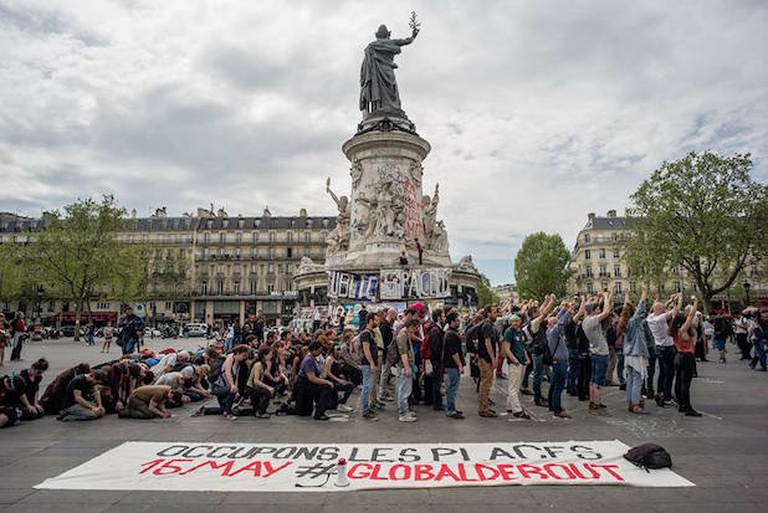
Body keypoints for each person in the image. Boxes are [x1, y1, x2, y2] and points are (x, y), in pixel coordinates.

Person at [582, 290, 614, 416]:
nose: (599, 311)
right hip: (601, 354)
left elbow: (599, 308)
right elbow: (606, 312)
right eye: (597, 309)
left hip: (594, 352)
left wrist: (602, 298)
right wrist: (606, 296)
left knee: (593, 379)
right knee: (598, 381)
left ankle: (592, 401)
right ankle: (596, 405)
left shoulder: (586, 320)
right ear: (593, 311)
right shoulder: (592, 321)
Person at [646, 294, 680, 408]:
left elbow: (658, 309)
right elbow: (674, 312)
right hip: (667, 348)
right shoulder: (660, 319)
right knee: (669, 373)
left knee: (662, 372)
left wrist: (669, 300)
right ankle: (667, 397)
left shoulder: (650, 318)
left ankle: (660, 392)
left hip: (658, 347)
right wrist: (677, 301)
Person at [621, 285, 650, 414]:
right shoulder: (634, 321)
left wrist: (626, 295)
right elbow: (641, 308)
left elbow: (626, 308)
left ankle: (631, 402)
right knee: (638, 379)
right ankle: (636, 405)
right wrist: (644, 292)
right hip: (636, 353)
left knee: (631, 379)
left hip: (628, 354)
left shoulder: (625, 322)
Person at [670, 296, 702, 417]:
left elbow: (675, 313)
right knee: (685, 383)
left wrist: (676, 302)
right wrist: (696, 301)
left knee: (678, 380)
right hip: (687, 356)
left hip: (678, 355)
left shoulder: (674, 329)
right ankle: (687, 407)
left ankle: (681, 404)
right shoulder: (683, 330)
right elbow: (691, 316)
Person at [547, 300, 577, 419]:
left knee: (554, 385)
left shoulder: (549, 330)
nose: (556, 323)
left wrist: (563, 308)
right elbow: (561, 322)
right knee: (559, 387)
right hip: (560, 362)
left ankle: (552, 405)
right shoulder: (554, 332)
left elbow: (557, 319)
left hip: (557, 362)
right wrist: (569, 312)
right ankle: (557, 409)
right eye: (554, 322)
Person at [502, 313, 530, 419]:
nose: (514, 323)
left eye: (516, 321)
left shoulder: (521, 332)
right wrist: (515, 360)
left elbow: (522, 346)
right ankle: (517, 410)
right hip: (515, 362)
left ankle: (509, 405)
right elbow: (507, 348)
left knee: (515, 385)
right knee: (514, 386)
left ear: (520, 322)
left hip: (521, 361)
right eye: (512, 321)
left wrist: (527, 358)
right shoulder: (509, 332)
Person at [294, 342, 333, 420]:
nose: (320, 352)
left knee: (324, 386)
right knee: (326, 388)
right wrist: (326, 382)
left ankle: (320, 406)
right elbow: (312, 378)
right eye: (319, 350)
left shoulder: (313, 358)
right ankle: (319, 413)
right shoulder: (308, 360)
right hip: (304, 385)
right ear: (314, 350)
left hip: (307, 383)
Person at [212, 345, 250, 420]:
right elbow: (227, 373)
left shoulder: (238, 363)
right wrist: (232, 385)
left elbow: (236, 377)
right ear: (238, 353)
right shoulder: (230, 359)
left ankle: (224, 410)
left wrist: (236, 388)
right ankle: (228, 413)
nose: (244, 357)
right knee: (231, 391)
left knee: (231, 393)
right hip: (218, 386)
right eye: (243, 355)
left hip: (225, 386)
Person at [477, 306, 499, 418]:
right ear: (488, 313)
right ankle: (483, 408)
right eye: (494, 312)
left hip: (484, 357)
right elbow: (488, 342)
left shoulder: (487, 324)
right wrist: (493, 358)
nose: (496, 314)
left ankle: (484, 406)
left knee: (486, 383)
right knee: (486, 384)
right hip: (486, 358)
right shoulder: (487, 326)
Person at [396, 318, 419, 422]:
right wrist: (407, 368)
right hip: (404, 366)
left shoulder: (406, 334)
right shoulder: (403, 335)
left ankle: (405, 410)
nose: (416, 329)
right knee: (404, 391)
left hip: (407, 365)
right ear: (411, 326)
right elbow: (403, 353)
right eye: (415, 327)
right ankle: (403, 413)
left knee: (405, 390)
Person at [442, 311, 465, 419]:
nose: (459, 322)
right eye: (457, 321)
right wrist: (460, 365)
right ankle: (451, 410)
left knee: (452, 388)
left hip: (450, 365)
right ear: (451, 322)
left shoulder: (450, 333)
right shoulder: (451, 335)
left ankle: (452, 408)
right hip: (451, 366)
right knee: (452, 389)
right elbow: (454, 353)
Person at [324, 344, 355, 413]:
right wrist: (338, 380)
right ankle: (341, 403)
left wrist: (340, 375)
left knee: (333, 405)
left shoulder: (336, 359)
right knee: (350, 385)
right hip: (331, 382)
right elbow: (328, 373)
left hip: (336, 380)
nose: (339, 352)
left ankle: (340, 402)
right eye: (337, 350)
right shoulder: (329, 359)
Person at [358, 314, 378, 420]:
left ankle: (367, 408)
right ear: (370, 320)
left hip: (369, 363)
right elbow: (366, 350)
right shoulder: (366, 334)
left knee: (368, 386)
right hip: (367, 364)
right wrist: (371, 363)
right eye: (376, 320)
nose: (377, 322)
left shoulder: (370, 333)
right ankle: (365, 411)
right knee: (366, 387)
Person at [245, 348, 274, 418]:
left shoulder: (264, 364)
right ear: (264, 355)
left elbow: (266, 373)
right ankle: (260, 412)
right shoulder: (258, 365)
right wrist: (267, 387)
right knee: (267, 392)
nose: (271, 356)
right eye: (269, 355)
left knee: (268, 389)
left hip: (255, 387)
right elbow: (256, 380)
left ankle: (260, 409)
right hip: (250, 387)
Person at [427, 308, 445, 411]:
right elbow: (436, 348)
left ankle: (437, 402)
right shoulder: (435, 330)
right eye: (442, 316)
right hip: (436, 360)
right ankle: (437, 404)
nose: (444, 318)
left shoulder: (435, 329)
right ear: (438, 318)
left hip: (435, 360)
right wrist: (439, 358)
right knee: (436, 381)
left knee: (436, 380)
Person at [377, 308, 396, 403]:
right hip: (386, 353)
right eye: (395, 315)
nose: (395, 318)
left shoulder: (385, 325)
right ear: (391, 314)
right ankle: (382, 393)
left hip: (385, 353)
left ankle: (383, 392)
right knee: (385, 373)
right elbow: (384, 342)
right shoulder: (385, 326)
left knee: (385, 373)